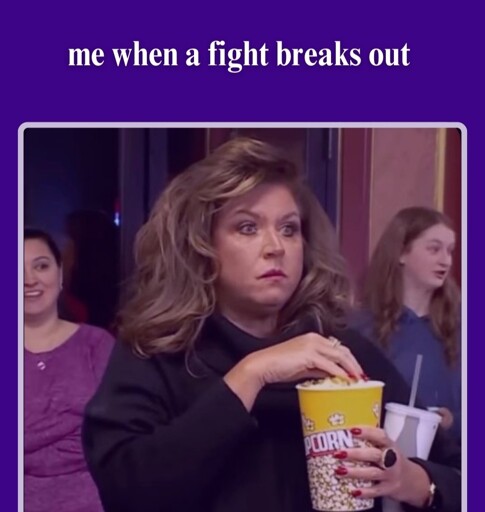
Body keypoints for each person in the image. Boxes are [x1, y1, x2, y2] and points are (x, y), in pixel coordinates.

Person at [82, 138, 461, 512]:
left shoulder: (340, 352)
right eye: (247, 227)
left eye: (289, 229)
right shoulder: (157, 350)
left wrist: (417, 482)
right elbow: (126, 491)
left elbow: (460, 474)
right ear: (201, 245)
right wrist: (252, 374)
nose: (275, 246)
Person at [24, 228, 115, 512]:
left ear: (60, 273)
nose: (29, 279)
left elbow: (116, 436)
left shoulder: (97, 345)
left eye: (41, 266)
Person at [353, 207, 461, 441]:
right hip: (379, 453)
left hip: (454, 459)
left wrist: (454, 422)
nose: (446, 260)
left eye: (450, 251)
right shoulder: (360, 327)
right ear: (401, 252)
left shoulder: (463, 326)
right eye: (434, 249)